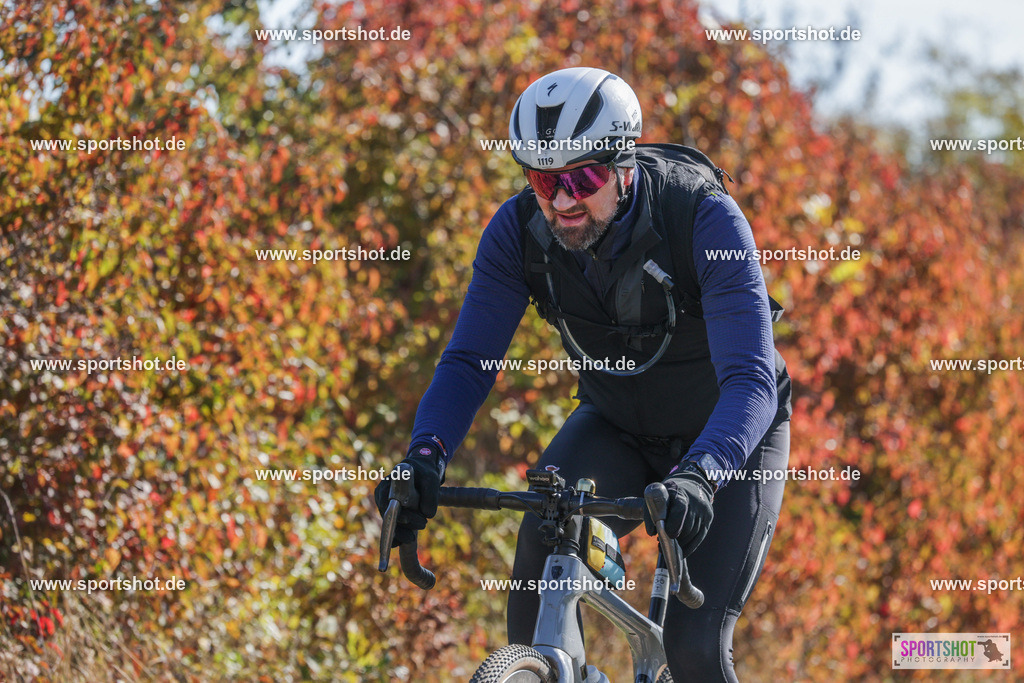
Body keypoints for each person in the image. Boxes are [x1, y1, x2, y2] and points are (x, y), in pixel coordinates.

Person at [375, 66, 792, 682]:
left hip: (728, 442)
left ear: (625, 168)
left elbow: (753, 379)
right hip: (616, 426)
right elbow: (468, 362)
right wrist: (424, 457)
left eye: (584, 178)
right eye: (544, 180)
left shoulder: (704, 218)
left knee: (694, 648)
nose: (562, 200)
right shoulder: (517, 234)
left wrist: (702, 476)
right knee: (538, 571)